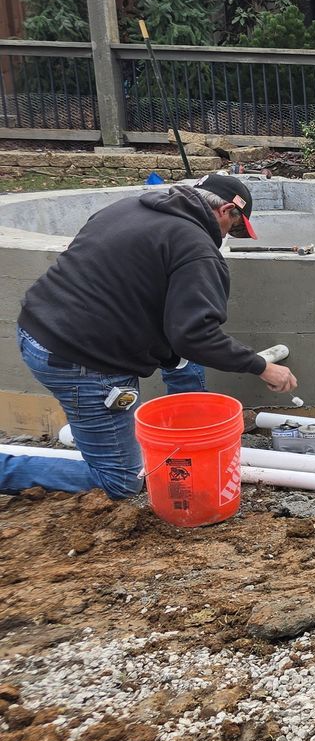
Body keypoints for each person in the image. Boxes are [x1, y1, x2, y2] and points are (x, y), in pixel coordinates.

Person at [0, 174, 296, 500]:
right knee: (120, 479)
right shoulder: (197, 248)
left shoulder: (126, 209)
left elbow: (102, 272)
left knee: (120, 435)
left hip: (37, 330)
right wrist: (260, 366)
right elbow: (195, 335)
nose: (226, 237)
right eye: (234, 229)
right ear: (226, 210)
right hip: (85, 362)